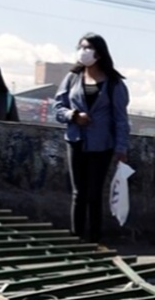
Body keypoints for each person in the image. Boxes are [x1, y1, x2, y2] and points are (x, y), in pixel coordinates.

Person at [54, 33, 130, 244]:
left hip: (102, 144)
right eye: (81, 47)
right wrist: (73, 116)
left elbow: (121, 120)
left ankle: (95, 240)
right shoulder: (72, 77)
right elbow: (57, 107)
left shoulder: (114, 84)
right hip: (75, 141)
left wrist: (121, 148)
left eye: (88, 47)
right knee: (78, 193)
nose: (83, 51)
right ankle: (76, 239)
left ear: (99, 53)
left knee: (94, 193)